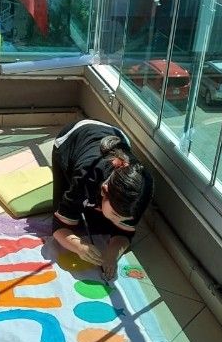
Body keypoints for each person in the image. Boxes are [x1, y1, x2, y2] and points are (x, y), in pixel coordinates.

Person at [51, 119, 154, 279]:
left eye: (123, 218)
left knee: (103, 226)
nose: (118, 221)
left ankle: (101, 210)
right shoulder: (85, 177)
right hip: (69, 139)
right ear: (104, 190)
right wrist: (78, 246)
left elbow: (124, 232)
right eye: (116, 215)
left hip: (115, 134)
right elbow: (58, 227)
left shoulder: (142, 189)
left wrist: (112, 255)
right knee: (72, 217)